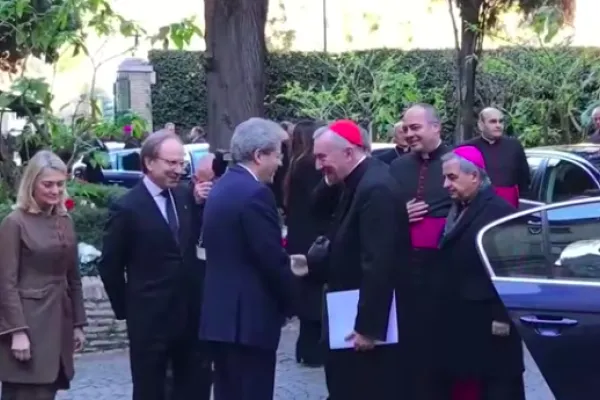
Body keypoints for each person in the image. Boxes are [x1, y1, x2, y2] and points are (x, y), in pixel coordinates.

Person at [297, 120, 411, 399]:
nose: (317, 165)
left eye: (323, 157)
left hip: (361, 322)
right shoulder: (358, 179)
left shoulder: (376, 189)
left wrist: (368, 328)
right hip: (348, 308)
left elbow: (379, 262)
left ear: (348, 153)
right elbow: (317, 207)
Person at [98, 131, 212, 400]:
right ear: (149, 163)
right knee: (151, 390)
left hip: (188, 318)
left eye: (180, 163)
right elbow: (110, 265)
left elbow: (191, 250)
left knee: (192, 387)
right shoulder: (127, 207)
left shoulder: (184, 198)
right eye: (170, 163)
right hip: (150, 322)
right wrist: (129, 308)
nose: (178, 170)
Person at [199, 118, 299, 400]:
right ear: (259, 155)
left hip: (222, 318)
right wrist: (294, 300)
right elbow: (271, 260)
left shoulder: (222, 187)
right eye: (277, 155)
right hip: (249, 321)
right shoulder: (256, 194)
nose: (280, 163)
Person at [437, 146, 525, 400]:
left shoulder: (498, 213)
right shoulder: (460, 206)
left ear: (474, 176)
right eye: (445, 177)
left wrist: (503, 319)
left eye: (452, 178)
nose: (445, 185)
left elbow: (513, 271)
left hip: (490, 325)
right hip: (465, 321)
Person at [0, 150, 87, 400]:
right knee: (25, 392)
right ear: (32, 184)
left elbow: (74, 277)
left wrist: (78, 324)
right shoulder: (14, 223)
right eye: (47, 184)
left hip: (59, 321)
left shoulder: (64, 220)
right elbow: (5, 283)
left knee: (46, 392)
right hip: (28, 325)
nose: (55, 190)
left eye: (60, 184)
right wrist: (16, 331)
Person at [388, 103, 453, 400]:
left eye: (416, 128)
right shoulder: (398, 166)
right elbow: (385, 210)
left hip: (443, 268)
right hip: (405, 269)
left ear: (436, 127)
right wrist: (400, 214)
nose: (409, 134)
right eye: (406, 128)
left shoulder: (456, 161)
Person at [284, 120, 327, 367]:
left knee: (306, 293)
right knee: (313, 297)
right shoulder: (310, 166)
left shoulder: (295, 164)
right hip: (312, 237)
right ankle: (312, 350)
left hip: (298, 236)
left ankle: (305, 347)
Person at [462, 107, 529, 207]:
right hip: (479, 207)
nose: (498, 125)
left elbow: (524, 180)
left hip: (509, 207)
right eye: (493, 122)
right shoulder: (467, 148)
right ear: (481, 125)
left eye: (501, 121)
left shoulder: (514, 146)